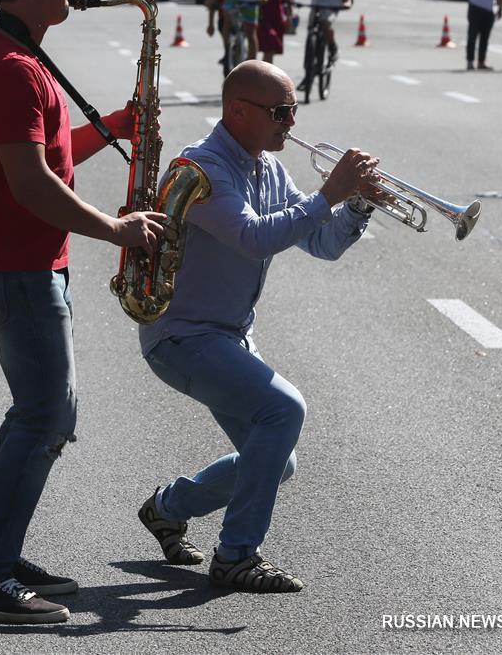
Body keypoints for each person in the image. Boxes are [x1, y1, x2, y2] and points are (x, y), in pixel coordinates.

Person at [0, 0, 165, 625]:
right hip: (15, 263)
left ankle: (0, 555)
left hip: (20, 259)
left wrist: (116, 124)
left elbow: (44, 152)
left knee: (42, 413)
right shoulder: (11, 66)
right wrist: (115, 228)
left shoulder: (15, 53)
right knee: (44, 414)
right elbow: (30, 184)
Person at [136, 59, 379, 593]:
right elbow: (251, 237)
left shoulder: (267, 167)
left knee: (275, 461)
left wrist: (357, 204)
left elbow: (323, 242)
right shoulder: (202, 170)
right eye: (280, 112)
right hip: (181, 336)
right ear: (238, 111)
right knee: (285, 408)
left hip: (229, 335)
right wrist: (326, 196)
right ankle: (237, 555)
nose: (290, 122)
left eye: (292, 110)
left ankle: (167, 508)